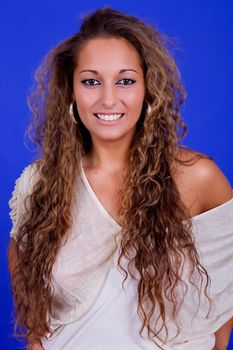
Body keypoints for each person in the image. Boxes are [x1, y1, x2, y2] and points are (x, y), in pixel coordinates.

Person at [8, 7, 233, 350]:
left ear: (147, 89)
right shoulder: (40, 184)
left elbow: (226, 284)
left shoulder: (197, 178)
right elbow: (23, 273)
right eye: (91, 81)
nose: (108, 98)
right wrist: (36, 343)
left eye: (125, 80)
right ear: (71, 90)